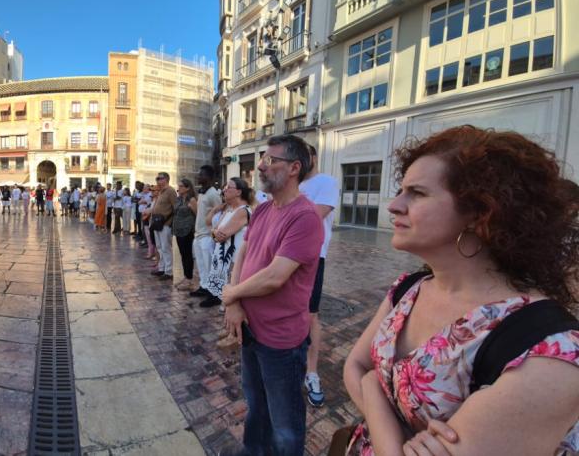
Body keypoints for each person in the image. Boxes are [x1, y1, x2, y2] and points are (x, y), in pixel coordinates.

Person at [341, 126, 579, 455]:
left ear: (480, 212)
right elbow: (354, 366)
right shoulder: (409, 288)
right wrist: (388, 419)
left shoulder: (546, 352)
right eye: (401, 190)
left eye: (417, 193)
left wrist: (372, 390)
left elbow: (364, 373)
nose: (394, 205)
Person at [221, 134, 324, 456]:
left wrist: (230, 294)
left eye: (270, 160)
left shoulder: (305, 217)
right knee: (255, 404)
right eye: (262, 159)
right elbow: (245, 252)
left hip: (281, 339)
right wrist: (235, 301)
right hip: (251, 328)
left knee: (285, 424)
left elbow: (275, 277)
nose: (261, 166)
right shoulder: (264, 210)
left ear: (294, 168)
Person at [298, 144, 339, 408]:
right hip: (279, 258)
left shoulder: (325, 182)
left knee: (311, 315)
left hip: (312, 258)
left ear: (311, 158)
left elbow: (313, 219)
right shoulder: (286, 186)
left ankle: (311, 372)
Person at [202, 177, 252, 308]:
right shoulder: (229, 210)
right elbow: (214, 232)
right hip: (221, 260)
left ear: (239, 192)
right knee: (226, 302)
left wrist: (215, 232)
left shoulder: (242, 211)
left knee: (232, 302)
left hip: (233, 262)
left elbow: (220, 236)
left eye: (228, 188)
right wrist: (215, 232)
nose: (224, 190)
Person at [191, 166, 223, 299]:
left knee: (209, 265)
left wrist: (214, 233)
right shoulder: (202, 192)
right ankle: (204, 286)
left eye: (201, 175)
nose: (199, 177)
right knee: (201, 264)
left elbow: (219, 213)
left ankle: (213, 293)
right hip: (198, 234)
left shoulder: (213, 194)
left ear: (209, 178)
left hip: (207, 236)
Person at [171, 179, 199, 289]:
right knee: (183, 255)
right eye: (179, 186)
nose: (179, 188)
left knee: (187, 255)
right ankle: (186, 277)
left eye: (182, 186)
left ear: (188, 188)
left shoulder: (191, 200)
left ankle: (189, 279)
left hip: (187, 230)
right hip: (178, 230)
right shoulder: (179, 199)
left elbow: (197, 215)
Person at [147, 173, 175, 280]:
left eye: (160, 178)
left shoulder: (171, 191)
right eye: (157, 178)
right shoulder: (161, 192)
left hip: (165, 224)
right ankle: (162, 268)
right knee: (159, 247)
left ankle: (168, 271)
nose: (158, 180)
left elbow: (174, 208)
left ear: (167, 179)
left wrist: (169, 222)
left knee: (165, 247)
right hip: (157, 223)